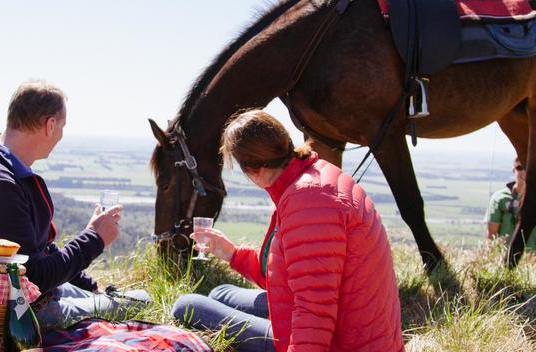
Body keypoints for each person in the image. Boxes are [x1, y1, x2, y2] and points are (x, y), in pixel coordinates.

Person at [171, 110, 404, 351]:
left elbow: (315, 310)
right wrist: (232, 254)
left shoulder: (308, 202)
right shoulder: (313, 174)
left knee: (186, 305)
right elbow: (296, 272)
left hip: (343, 341)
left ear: (254, 170)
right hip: (352, 321)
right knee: (220, 293)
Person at [0, 80, 149, 330]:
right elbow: (32, 278)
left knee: (118, 298)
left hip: (32, 297)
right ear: (50, 124)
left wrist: (88, 285)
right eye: (62, 126)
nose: (61, 135)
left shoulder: (1, 170)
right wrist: (94, 238)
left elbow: (41, 251)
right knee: (141, 301)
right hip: (16, 313)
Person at [485, 158, 536, 254]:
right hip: (504, 258)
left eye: (527, 167)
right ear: (514, 171)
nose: (524, 171)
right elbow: (491, 235)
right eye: (519, 168)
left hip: (534, 260)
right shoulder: (500, 198)